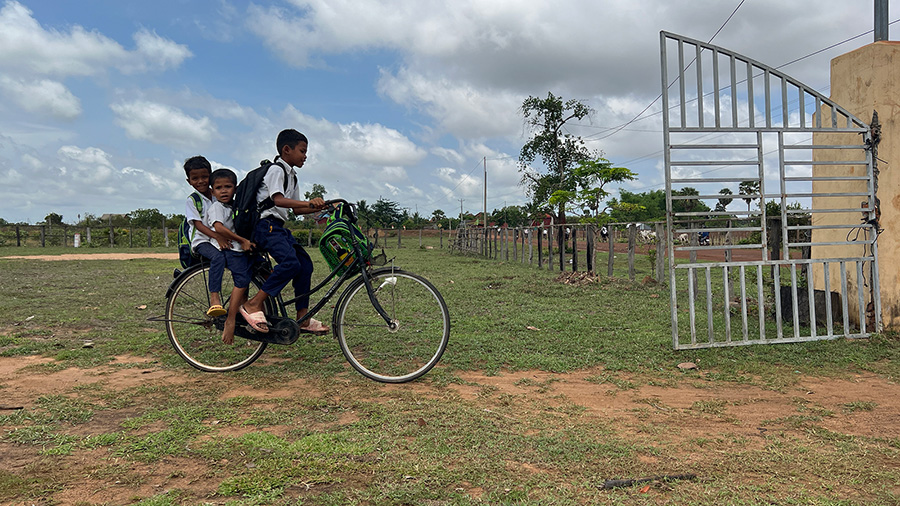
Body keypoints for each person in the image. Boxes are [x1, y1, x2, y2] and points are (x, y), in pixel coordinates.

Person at [239, 129, 328, 335]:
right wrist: (308, 202)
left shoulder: (292, 177)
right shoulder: (276, 170)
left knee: (304, 265)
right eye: (302, 151)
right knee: (290, 264)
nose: (305, 156)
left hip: (277, 228)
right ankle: (254, 304)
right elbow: (278, 199)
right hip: (264, 226)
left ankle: (302, 317)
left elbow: (296, 209)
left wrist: (318, 207)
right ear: (286, 150)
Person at [205, 168, 255, 344]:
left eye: (228, 186)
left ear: (235, 188)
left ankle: (249, 313)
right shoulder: (217, 207)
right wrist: (241, 239)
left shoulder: (233, 206)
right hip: (229, 248)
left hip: (238, 247)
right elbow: (219, 228)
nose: (224, 191)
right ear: (212, 191)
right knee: (241, 281)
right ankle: (230, 319)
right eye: (219, 188)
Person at [183, 156, 228, 317]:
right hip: (202, 241)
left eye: (204, 176)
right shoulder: (192, 200)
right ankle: (214, 298)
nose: (200, 181)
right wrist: (217, 236)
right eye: (195, 178)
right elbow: (198, 225)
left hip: (218, 238)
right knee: (217, 258)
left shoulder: (218, 194)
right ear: (189, 181)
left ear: (211, 175)